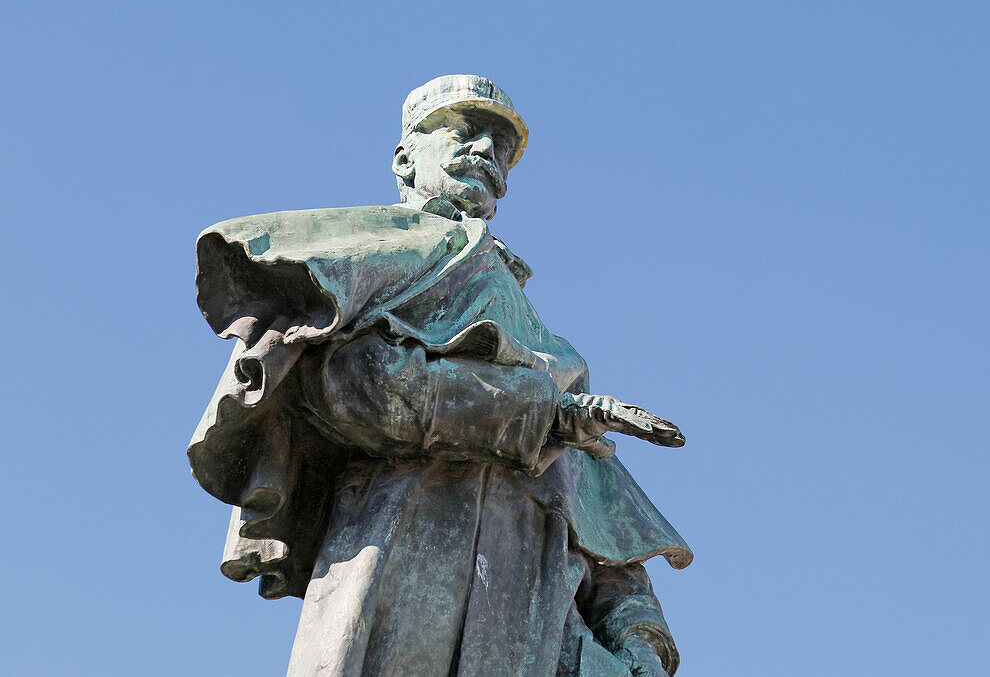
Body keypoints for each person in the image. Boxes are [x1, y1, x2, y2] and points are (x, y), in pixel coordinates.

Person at [189, 75, 692, 676]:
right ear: (407, 157)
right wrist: (542, 413)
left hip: (541, 610)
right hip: (409, 555)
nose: (486, 152)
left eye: (501, 148)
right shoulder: (371, 257)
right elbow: (352, 386)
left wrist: (641, 636)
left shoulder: (536, 330)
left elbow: (595, 502)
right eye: (464, 132)